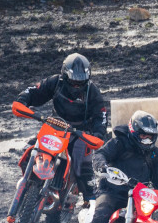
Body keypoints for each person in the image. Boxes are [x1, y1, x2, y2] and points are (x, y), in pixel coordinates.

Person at [13, 52, 109, 201]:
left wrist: (98, 134)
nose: (77, 85)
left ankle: (90, 198)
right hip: (55, 127)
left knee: (81, 162)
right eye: (73, 82)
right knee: (29, 149)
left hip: (79, 132)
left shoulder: (92, 92)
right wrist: (23, 99)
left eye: (81, 82)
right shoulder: (55, 82)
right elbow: (35, 92)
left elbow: (100, 116)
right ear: (65, 76)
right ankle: (31, 182)